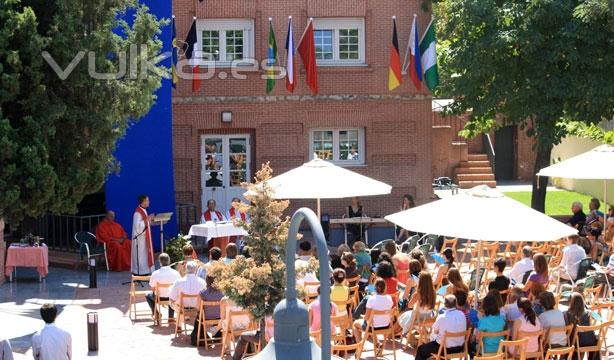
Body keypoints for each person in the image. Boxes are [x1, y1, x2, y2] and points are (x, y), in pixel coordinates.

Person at [415, 295, 467, 360]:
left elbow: (435, 332)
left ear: (444, 305)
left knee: (421, 349)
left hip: (444, 349)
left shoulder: (442, 317)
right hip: (460, 348)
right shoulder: (462, 315)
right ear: (456, 304)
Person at [352, 278, 393, 342]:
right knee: (371, 322)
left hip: (373, 327)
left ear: (375, 288)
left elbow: (367, 318)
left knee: (355, 324)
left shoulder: (371, 299)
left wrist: (363, 317)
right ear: (385, 288)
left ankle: (359, 347)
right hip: (386, 326)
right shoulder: (389, 298)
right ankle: (376, 343)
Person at [169, 262, 206, 328]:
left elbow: (172, 297)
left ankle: (179, 324)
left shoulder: (179, 281)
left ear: (186, 269)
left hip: (182, 308)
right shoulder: (202, 282)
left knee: (174, 301)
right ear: (196, 270)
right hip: (197, 308)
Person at [190, 275, 224, 346]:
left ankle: (200, 338)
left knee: (198, 316)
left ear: (206, 281)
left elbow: (198, 308)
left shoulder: (202, 293)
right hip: (219, 318)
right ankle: (218, 336)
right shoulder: (222, 293)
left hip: (206, 318)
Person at [565, 292, 600, 360]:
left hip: (576, 342)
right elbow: (599, 318)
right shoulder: (589, 313)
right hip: (590, 341)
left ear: (571, 303)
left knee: (568, 340)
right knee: (596, 339)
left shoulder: (568, 314)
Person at [147, 253, 181, 321]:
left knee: (147, 295)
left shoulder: (155, 273)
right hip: (172, 298)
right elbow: (179, 287)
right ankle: (171, 317)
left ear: (160, 262)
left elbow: (152, 287)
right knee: (172, 293)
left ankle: (156, 313)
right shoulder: (175, 273)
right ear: (169, 261)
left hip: (159, 297)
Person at [131, 194, 155, 275]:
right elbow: (137, 227)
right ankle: (140, 272)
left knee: (145, 255)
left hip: (144, 238)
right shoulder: (137, 213)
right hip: (140, 239)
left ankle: (146, 271)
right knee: (141, 256)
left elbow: (145, 222)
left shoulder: (143, 210)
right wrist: (147, 219)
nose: (149, 202)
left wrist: (148, 219)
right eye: (147, 200)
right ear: (143, 201)